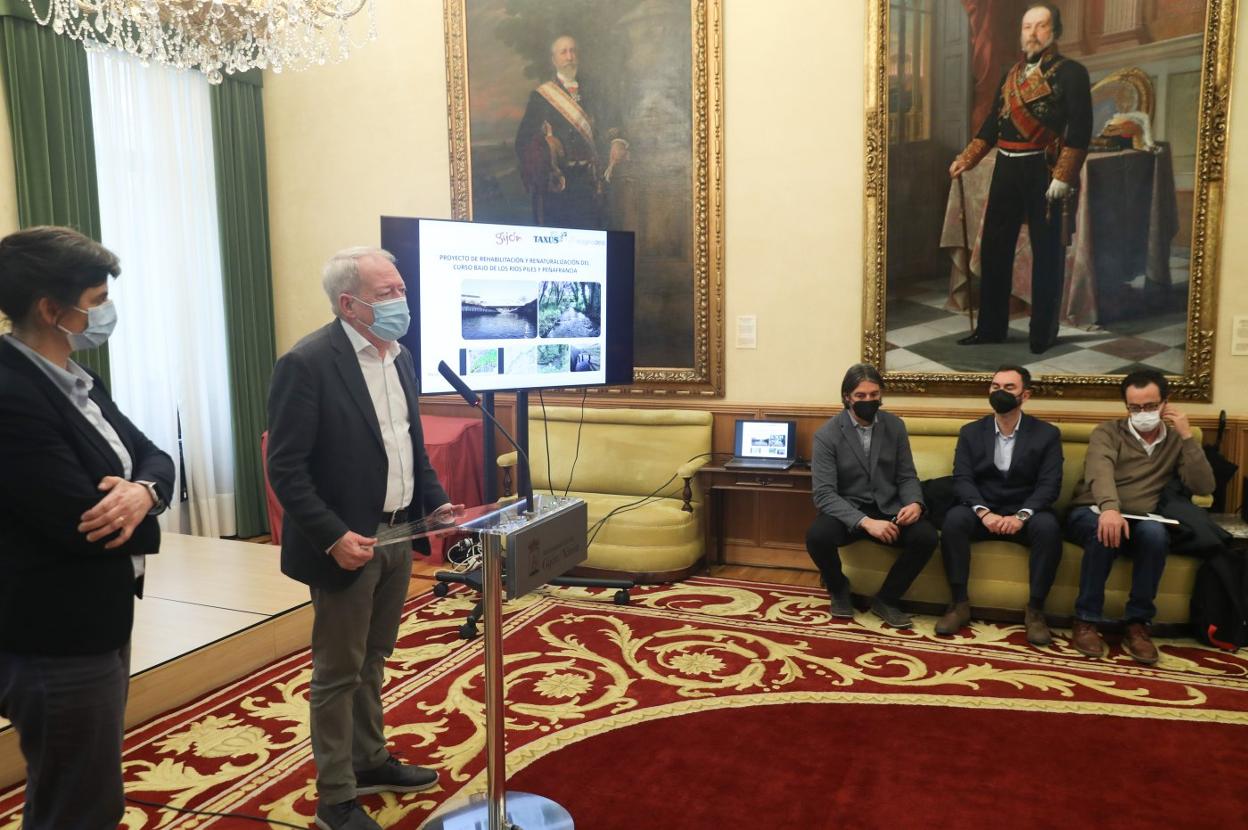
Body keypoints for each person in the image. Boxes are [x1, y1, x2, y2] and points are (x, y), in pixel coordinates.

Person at [267, 247, 459, 830]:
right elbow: (286, 468)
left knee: (374, 656)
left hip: (399, 530)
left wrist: (436, 502)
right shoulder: (307, 362)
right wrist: (331, 536)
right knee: (337, 672)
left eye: (401, 288)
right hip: (347, 544)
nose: (402, 301)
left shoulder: (397, 356)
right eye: (387, 293)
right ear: (349, 304)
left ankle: (370, 760)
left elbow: (408, 444)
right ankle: (335, 797)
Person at [0, 226, 174, 829]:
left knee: (86, 784)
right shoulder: (11, 392)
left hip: (98, 614)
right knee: (78, 800)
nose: (105, 314)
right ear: (52, 309)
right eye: (97, 301)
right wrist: (143, 510)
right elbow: (83, 525)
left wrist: (144, 492)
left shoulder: (75, 375)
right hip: (55, 632)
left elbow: (153, 454)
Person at [949, 2, 1092, 354]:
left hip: (1043, 170)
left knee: (1047, 252)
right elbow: (991, 127)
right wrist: (967, 159)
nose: (1032, 33)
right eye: (1027, 27)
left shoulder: (1072, 72)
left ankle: (1043, 332)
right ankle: (991, 328)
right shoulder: (1010, 75)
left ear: (1054, 32)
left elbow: (1081, 128)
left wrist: (1063, 175)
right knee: (995, 250)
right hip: (1006, 168)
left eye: (1041, 26)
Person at [1065, 370, 1215, 664]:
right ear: (1126, 407)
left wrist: (1187, 436)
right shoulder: (1107, 432)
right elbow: (1100, 471)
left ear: (1165, 403)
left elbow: (1204, 486)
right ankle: (1086, 619)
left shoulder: (1175, 439)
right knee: (1104, 531)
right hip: (1092, 510)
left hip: (1143, 517)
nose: (1142, 413)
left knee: (1156, 535)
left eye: (1150, 406)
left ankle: (1137, 624)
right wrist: (1110, 509)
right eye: (1135, 407)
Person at [936, 366, 1064, 645]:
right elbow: (963, 479)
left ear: (1025, 395)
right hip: (984, 510)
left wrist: (1021, 515)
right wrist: (983, 512)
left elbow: (1049, 486)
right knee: (954, 520)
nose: (1000, 393)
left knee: (1049, 527)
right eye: (995, 387)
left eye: (1009, 388)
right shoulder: (970, 432)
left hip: (1025, 514)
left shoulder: (1047, 434)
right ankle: (958, 603)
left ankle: (1035, 611)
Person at [805, 364, 937, 628]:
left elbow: (907, 475)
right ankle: (839, 588)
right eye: (860, 396)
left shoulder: (895, 426)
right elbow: (824, 494)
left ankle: (887, 599)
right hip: (848, 512)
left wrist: (914, 502)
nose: (868, 401)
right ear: (846, 397)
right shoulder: (826, 435)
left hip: (889, 508)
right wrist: (865, 522)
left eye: (874, 395)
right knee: (817, 536)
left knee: (927, 537)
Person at [514, 34, 629, 229]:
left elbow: (614, 122)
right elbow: (523, 141)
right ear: (554, 60)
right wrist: (546, 145)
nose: (569, 57)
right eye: (564, 52)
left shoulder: (595, 90)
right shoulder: (541, 96)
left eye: (573, 51)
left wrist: (617, 141)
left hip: (593, 182)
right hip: (560, 184)